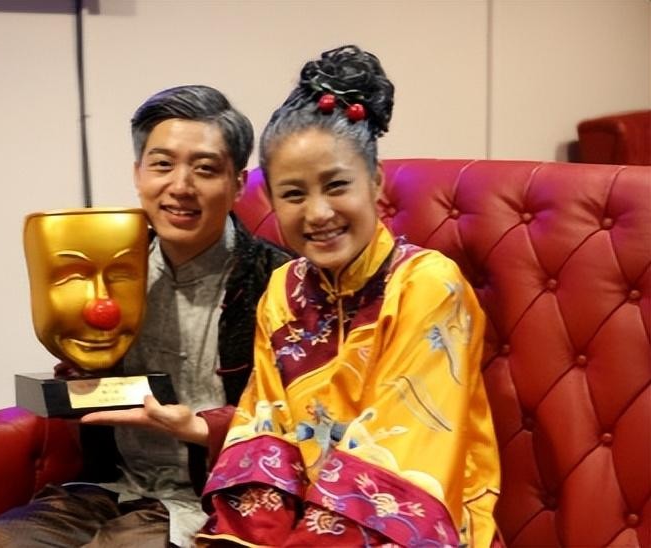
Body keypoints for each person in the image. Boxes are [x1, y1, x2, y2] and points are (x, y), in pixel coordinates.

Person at [196, 45, 501, 547]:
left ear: (375, 183)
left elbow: (404, 461)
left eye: (337, 186)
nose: (318, 213)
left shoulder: (426, 285)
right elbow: (265, 437)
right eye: (294, 194)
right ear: (270, 200)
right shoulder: (282, 291)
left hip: (415, 529)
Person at [0, 85, 290, 548]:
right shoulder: (115, 269)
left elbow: (300, 415)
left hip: (217, 493)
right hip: (115, 485)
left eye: (204, 168)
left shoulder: (278, 281)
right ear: (138, 174)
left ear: (238, 183)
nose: (180, 186)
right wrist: (76, 374)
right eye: (162, 164)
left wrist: (205, 428)